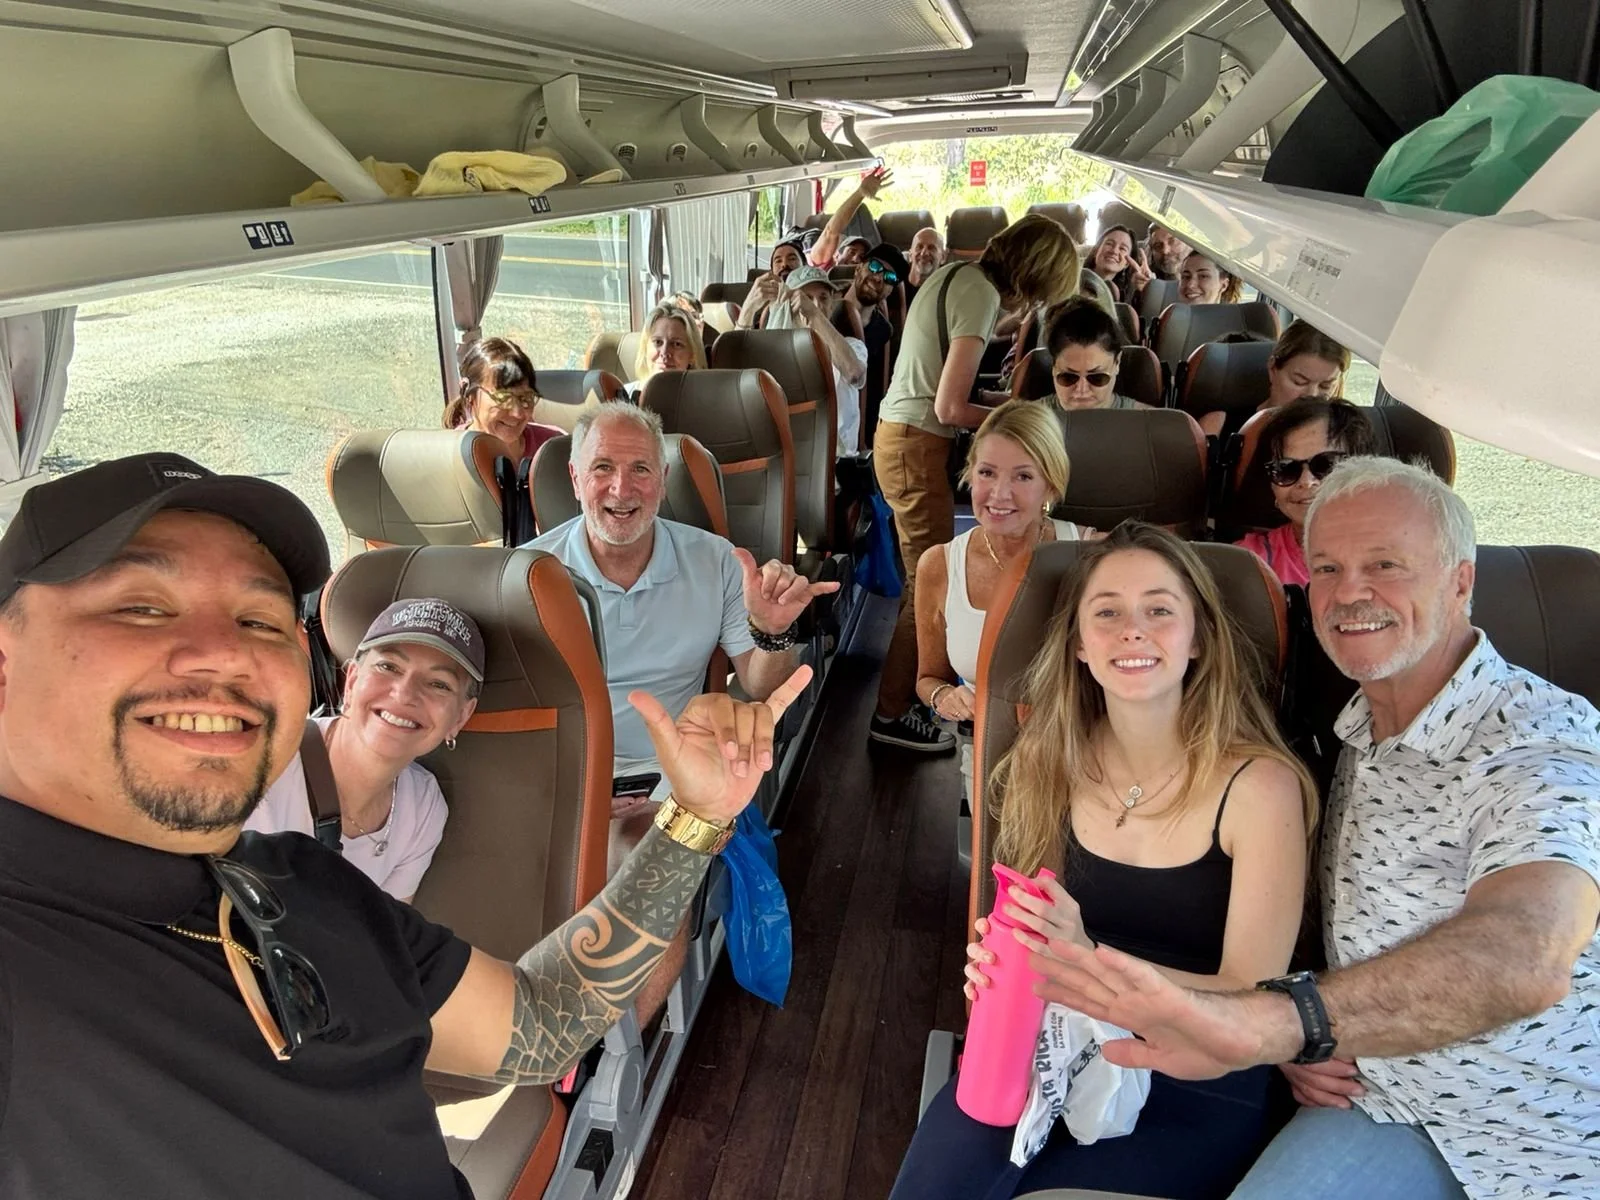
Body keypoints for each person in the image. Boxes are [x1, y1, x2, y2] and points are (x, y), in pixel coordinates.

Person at [0, 450, 806, 1199]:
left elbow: (539, 1022)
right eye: (142, 606)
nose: (222, 655)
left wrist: (695, 816)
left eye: (260, 620)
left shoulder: (302, 886)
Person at [1031, 457, 1600, 1200]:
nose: (1351, 592)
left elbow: (1527, 949)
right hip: (1371, 1104)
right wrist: (1315, 1019)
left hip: (1538, 1131)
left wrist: (1288, 1023)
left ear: (1461, 581)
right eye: (1327, 567)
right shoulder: (1355, 733)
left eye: (1386, 564)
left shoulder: (1537, 737)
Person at [891, 520, 1316, 1199]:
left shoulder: (1261, 788)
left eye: (1159, 610)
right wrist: (1002, 964)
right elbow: (1030, 934)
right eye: (1108, 613)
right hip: (1042, 1044)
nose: (1132, 630)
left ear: (1199, 639)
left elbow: (1253, 995)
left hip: (1198, 1072)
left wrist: (1087, 961)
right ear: (1080, 647)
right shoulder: (1046, 762)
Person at [870, 214, 1080, 752]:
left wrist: (1014, 409)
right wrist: (1017, 419)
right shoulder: (980, 294)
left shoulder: (951, 276)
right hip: (916, 443)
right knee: (926, 588)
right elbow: (950, 405)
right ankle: (893, 716)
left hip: (903, 437)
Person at [245, 598, 484, 903]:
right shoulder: (263, 758)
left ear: (461, 717)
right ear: (353, 681)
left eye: (439, 684)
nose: (405, 693)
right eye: (388, 666)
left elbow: (383, 935)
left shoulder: (423, 805)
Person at [913, 402, 1091, 797]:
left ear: (1051, 486)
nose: (999, 494)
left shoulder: (1091, 553)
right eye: (987, 473)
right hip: (991, 756)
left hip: (1086, 750)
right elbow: (928, 679)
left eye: (1023, 476)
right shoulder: (938, 566)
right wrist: (945, 697)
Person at [1235, 399, 1375, 587]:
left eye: (1327, 465)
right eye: (1285, 469)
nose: (1306, 482)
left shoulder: (1400, 557)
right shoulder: (1248, 563)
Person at [770, 265, 869, 455]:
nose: (816, 304)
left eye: (823, 298)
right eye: (806, 298)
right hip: (789, 455)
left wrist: (814, 316)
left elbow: (854, 373)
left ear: (832, 305)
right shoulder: (776, 351)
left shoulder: (852, 346)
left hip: (838, 460)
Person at [443, 337, 563, 463]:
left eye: (526, 398)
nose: (518, 413)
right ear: (469, 396)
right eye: (503, 397)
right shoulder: (446, 456)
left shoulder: (554, 448)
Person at [833, 242, 906, 438]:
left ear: (891, 289)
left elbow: (875, 391)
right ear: (859, 268)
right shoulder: (826, 304)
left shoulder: (883, 331)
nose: (879, 278)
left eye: (890, 277)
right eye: (874, 267)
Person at [1045, 299, 1147, 411]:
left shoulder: (1152, 424)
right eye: (1068, 377)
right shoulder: (1024, 423)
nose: (1081, 390)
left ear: (1117, 362)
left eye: (1097, 378)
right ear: (1053, 367)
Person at [806, 166, 894, 269]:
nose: (856, 259)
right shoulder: (826, 267)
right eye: (852, 252)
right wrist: (860, 193)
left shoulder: (869, 279)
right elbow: (831, 232)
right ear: (837, 254)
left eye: (862, 257)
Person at [1263, 320, 1350, 409]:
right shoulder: (1251, 421)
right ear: (1273, 369)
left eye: (1325, 386)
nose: (1312, 395)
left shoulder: (1345, 421)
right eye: (1299, 382)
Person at [630, 300, 708, 395]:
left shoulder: (705, 401)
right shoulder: (621, 396)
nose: (665, 352)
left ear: (692, 355)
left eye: (676, 344)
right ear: (645, 348)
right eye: (658, 342)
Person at [737, 238, 807, 330]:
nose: (784, 264)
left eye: (792, 259)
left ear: (805, 266)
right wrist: (749, 307)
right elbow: (740, 342)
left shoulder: (817, 296)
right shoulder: (759, 300)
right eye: (778, 261)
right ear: (772, 271)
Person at [1088, 224, 1152, 304]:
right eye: (1109, 244)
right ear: (1096, 251)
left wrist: (1144, 290)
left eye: (1122, 248)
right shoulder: (1073, 276)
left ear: (1127, 263)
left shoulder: (1121, 298)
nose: (1114, 251)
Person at [1178, 249, 1244, 305]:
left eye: (1203, 276)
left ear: (1224, 285)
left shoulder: (1232, 319)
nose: (1190, 285)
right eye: (1186, 276)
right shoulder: (1170, 317)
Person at [905, 226, 947, 306]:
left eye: (931, 248)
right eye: (919, 247)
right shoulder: (894, 289)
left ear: (943, 257)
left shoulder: (947, 294)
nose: (924, 253)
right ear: (910, 255)